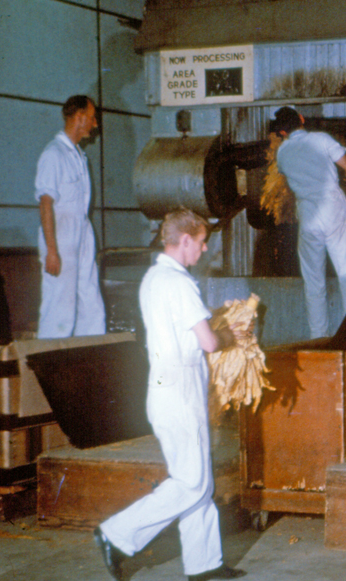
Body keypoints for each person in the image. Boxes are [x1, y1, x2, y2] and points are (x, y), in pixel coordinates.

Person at [93, 208, 246, 581]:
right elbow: (208, 342)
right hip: (179, 389)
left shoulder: (153, 279)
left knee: (198, 479)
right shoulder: (179, 283)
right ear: (186, 240)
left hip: (165, 384)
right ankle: (115, 534)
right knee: (191, 482)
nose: (205, 249)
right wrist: (232, 334)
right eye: (202, 241)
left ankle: (204, 564)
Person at [271, 106, 346, 339]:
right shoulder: (321, 139)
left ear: (282, 132)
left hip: (308, 214)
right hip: (333, 208)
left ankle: (318, 338)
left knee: (313, 281)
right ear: (302, 119)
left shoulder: (282, 153)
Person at [34, 94, 106, 338]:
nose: (95, 124)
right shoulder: (53, 154)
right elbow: (45, 204)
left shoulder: (77, 155)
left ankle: (91, 355)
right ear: (80, 117)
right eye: (92, 118)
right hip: (60, 233)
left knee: (90, 297)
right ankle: (49, 361)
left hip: (82, 231)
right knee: (60, 303)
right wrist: (52, 250)